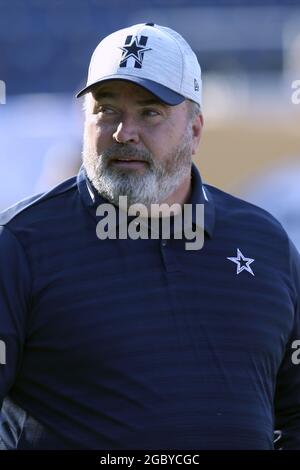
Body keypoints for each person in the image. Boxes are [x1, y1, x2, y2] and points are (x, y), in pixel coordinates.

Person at [0, 23, 300, 451]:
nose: (124, 133)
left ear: (195, 131)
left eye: (150, 112)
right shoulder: (20, 244)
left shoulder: (264, 243)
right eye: (107, 110)